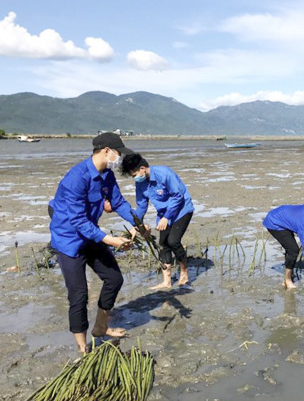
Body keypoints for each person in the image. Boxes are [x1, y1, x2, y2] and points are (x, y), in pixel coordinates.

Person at [48, 132, 136, 353]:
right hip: (69, 240)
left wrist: (137, 224)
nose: (120, 158)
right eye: (118, 153)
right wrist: (110, 240)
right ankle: (82, 347)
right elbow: (78, 220)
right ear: (106, 151)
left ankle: (100, 327)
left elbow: (118, 202)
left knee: (114, 278)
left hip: (91, 235)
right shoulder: (76, 178)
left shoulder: (107, 175)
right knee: (79, 295)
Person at [121, 153, 194, 290]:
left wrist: (167, 217)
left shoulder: (164, 173)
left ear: (143, 168)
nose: (135, 178)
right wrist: (136, 225)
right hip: (164, 214)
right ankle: (167, 281)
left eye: (134, 174)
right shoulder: (141, 184)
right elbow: (142, 205)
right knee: (163, 244)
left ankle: (184, 271)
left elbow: (177, 196)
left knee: (173, 241)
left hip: (181, 209)